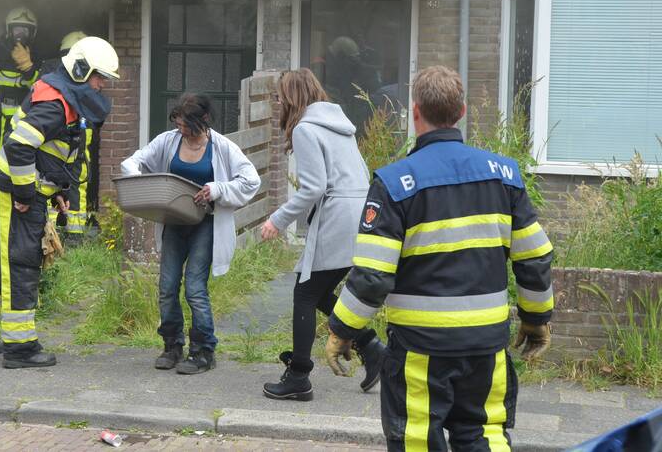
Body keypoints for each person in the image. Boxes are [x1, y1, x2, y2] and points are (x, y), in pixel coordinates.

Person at [326, 66, 554, 451]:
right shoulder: (506, 176)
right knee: (485, 436)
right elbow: (534, 260)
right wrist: (536, 320)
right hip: (486, 346)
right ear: (462, 111)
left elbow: (372, 276)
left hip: (421, 349)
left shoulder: (394, 183)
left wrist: (342, 330)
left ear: (415, 112)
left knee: (418, 441)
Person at [0, 36, 119, 368]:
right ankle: (20, 348)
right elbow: (20, 146)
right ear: (80, 70)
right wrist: (25, 195)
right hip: (14, 186)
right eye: (99, 76)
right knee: (22, 259)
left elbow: (51, 150)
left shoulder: (59, 90)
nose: (102, 84)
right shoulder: (56, 104)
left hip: (13, 182)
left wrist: (58, 190)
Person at [258, 68, 386, 401]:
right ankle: (371, 348)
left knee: (304, 293)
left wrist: (278, 220)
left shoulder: (305, 129)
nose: (277, 103)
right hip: (359, 214)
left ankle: (299, 375)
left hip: (337, 217)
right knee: (320, 292)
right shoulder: (340, 125)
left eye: (279, 96)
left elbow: (313, 188)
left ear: (291, 97)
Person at [121, 93, 260, 375]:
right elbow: (133, 162)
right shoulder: (168, 141)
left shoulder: (222, 147)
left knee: (195, 288)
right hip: (174, 222)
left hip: (205, 225)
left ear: (204, 120)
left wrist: (218, 189)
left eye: (187, 125)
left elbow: (251, 180)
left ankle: (203, 351)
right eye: (179, 124)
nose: (182, 130)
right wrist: (139, 182)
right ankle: (172, 345)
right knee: (167, 287)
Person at [41, 31, 101, 242]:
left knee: (54, 181)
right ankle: (72, 236)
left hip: (68, 140)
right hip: (74, 140)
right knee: (71, 184)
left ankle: (56, 233)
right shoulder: (57, 75)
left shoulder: (52, 72)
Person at [0, 6, 41, 159]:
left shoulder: (39, 56)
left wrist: (29, 68)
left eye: (25, 31)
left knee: (21, 169)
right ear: (9, 31)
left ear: (33, 33)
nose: (20, 35)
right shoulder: (1, 53)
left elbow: (42, 89)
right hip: (3, 123)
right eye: (17, 30)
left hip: (27, 124)